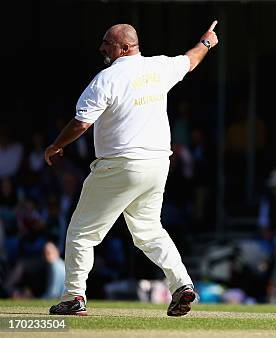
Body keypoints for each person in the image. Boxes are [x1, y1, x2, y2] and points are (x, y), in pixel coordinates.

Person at [44, 21, 219, 316]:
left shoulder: (107, 78)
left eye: (107, 44)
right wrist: (206, 43)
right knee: (149, 231)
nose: (102, 48)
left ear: (125, 47)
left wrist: (56, 145)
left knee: (81, 232)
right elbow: (191, 60)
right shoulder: (159, 67)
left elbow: (82, 122)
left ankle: (74, 296)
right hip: (157, 164)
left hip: (120, 164)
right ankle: (182, 285)